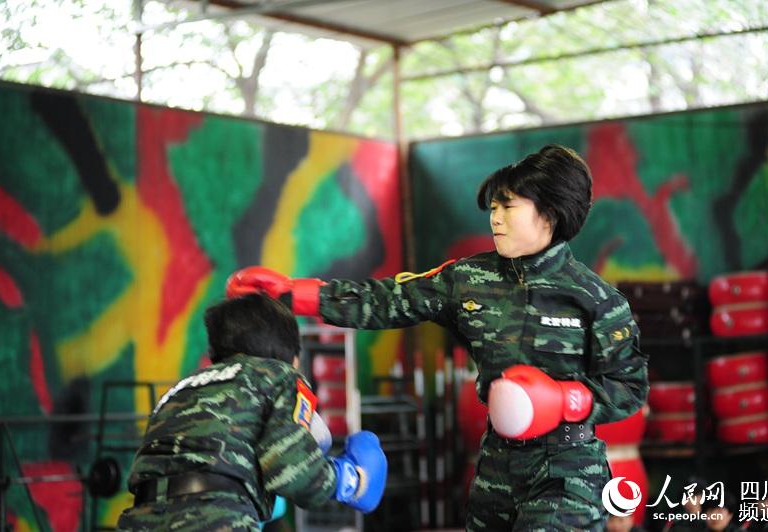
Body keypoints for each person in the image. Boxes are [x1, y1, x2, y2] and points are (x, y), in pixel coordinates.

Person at [227, 144, 649, 530]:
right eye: (493, 207)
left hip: (568, 469)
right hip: (498, 465)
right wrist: (296, 294)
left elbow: (630, 387)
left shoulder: (596, 299)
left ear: (549, 213)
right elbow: (388, 299)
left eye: (508, 206)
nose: (495, 218)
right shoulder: (467, 278)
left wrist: (566, 400)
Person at [116, 293, 387, 531]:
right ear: (290, 354)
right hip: (216, 517)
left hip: (140, 519)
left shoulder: (180, 389)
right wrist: (350, 479)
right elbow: (291, 470)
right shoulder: (279, 374)